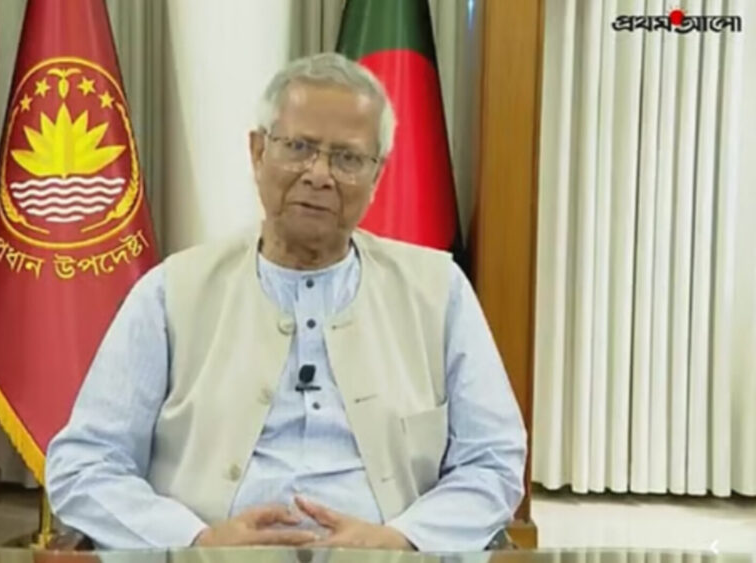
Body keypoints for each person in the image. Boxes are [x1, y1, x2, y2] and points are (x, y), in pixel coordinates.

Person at [45, 52, 526, 552]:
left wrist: (402, 539)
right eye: (298, 147)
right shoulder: (171, 292)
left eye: (347, 158)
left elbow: (493, 462)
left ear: (377, 176)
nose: (319, 175)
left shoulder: (439, 292)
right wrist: (196, 540)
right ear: (257, 152)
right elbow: (84, 464)